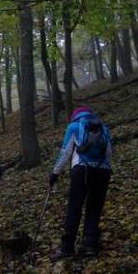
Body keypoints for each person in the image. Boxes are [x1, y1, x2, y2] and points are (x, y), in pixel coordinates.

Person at [49, 106, 112, 260]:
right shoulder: (103, 128)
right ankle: (90, 244)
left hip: (81, 170)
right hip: (103, 171)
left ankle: (67, 248)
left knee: (74, 208)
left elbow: (65, 153)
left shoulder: (74, 127)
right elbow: (109, 152)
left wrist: (55, 173)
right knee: (94, 208)